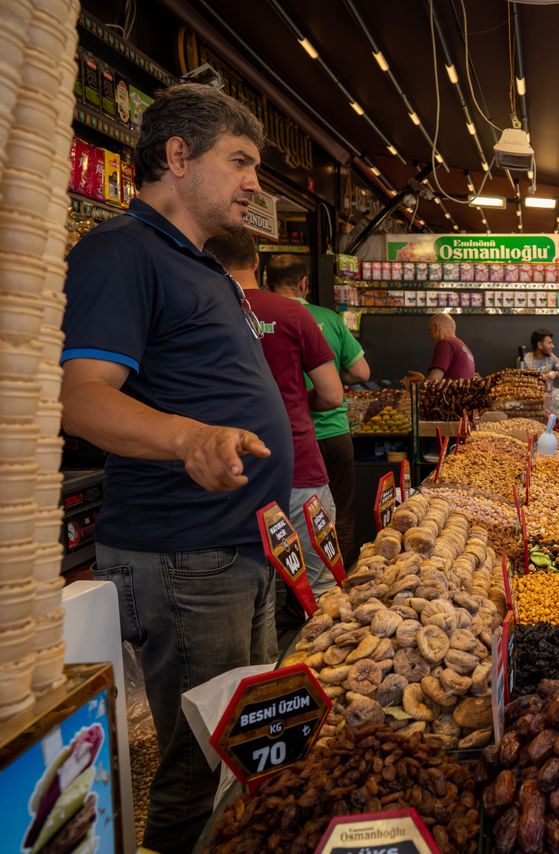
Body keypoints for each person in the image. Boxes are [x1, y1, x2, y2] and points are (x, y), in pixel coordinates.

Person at [59, 83, 291, 853]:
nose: (253, 184)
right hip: (185, 554)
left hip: (238, 545)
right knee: (197, 764)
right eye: (240, 162)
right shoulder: (119, 252)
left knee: (243, 750)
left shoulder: (204, 268)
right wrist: (191, 439)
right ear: (177, 156)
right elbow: (80, 399)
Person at [204, 235, 344, 635]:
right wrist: (296, 404)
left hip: (230, 478)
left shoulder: (205, 313)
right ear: (258, 265)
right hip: (298, 467)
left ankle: (268, 686)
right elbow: (333, 394)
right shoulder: (294, 314)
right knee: (322, 594)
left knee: (254, 603)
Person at [260, 253, 370, 568]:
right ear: (305, 283)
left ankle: (292, 590)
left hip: (284, 440)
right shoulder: (329, 319)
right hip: (333, 434)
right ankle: (341, 577)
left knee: (282, 520)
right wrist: (332, 375)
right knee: (340, 512)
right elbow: (361, 373)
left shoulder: (256, 318)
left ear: (266, 282)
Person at [425, 313, 476, 380]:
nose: (430, 335)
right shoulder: (462, 346)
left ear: (436, 327)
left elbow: (433, 380)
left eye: (430, 330)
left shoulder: (445, 343)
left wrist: (412, 384)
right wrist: (423, 379)